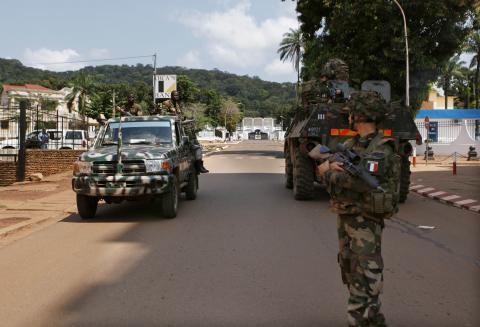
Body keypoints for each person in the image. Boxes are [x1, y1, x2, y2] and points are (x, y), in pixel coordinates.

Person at [317, 91, 400, 327]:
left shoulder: (381, 149)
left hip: (365, 218)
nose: (349, 117)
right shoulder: (352, 144)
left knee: (365, 273)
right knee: (351, 269)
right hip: (347, 215)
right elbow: (329, 169)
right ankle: (373, 318)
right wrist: (329, 170)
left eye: (352, 113)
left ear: (360, 115)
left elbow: (362, 183)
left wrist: (329, 173)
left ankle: (357, 319)